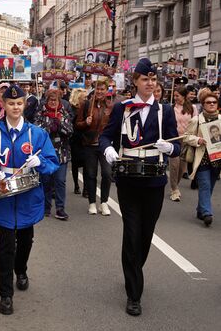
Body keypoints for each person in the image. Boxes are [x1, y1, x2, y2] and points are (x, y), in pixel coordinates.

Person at [99, 58, 180, 316]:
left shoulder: (164, 111)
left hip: (154, 181)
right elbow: (105, 136)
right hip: (129, 180)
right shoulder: (122, 108)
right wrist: (109, 149)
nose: (150, 84)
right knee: (132, 233)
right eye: (145, 79)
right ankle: (134, 294)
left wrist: (170, 148)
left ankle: (134, 269)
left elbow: (176, 145)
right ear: (135, 81)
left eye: (153, 80)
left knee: (145, 235)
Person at [0, 84, 59, 315]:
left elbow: (52, 162)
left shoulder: (37, 133)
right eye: (11, 103)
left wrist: (40, 163)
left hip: (28, 196)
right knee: (6, 244)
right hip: (4, 198)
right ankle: (5, 294)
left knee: (26, 239)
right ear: (3, 104)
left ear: (25, 104)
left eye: (19, 103)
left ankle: (21, 269)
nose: (15, 107)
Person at [75, 79, 114, 215]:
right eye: (97, 89)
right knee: (90, 174)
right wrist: (85, 122)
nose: (99, 91)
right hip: (89, 144)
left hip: (105, 145)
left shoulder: (110, 106)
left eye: (102, 89)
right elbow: (77, 124)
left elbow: (113, 126)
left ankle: (104, 202)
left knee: (107, 174)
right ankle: (92, 202)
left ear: (106, 90)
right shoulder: (86, 105)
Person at [34, 88, 73, 220]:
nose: (52, 102)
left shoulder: (64, 113)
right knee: (46, 181)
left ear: (59, 100)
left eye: (55, 100)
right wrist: (49, 126)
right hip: (46, 153)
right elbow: (36, 131)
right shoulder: (41, 112)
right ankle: (45, 207)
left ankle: (60, 208)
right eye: (50, 100)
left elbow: (70, 131)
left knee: (60, 181)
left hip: (61, 153)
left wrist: (60, 125)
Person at [183, 91, 220, 227]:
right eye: (208, 102)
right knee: (204, 185)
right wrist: (197, 139)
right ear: (203, 105)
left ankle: (201, 210)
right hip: (202, 159)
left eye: (214, 102)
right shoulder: (196, 120)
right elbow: (186, 137)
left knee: (209, 186)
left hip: (217, 160)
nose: (211, 104)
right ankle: (207, 213)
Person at [169, 87, 198, 201]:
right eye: (174, 96)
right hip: (174, 140)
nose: (176, 98)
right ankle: (174, 189)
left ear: (184, 96)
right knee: (174, 165)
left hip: (187, 140)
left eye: (178, 96)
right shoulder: (171, 108)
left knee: (182, 168)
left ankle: (176, 184)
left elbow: (196, 123)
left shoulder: (192, 108)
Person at [68, 88, 88, 196]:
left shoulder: (87, 108)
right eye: (84, 98)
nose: (86, 100)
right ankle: (76, 184)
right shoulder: (72, 109)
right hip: (75, 139)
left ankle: (85, 188)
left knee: (86, 165)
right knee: (75, 164)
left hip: (85, 139)